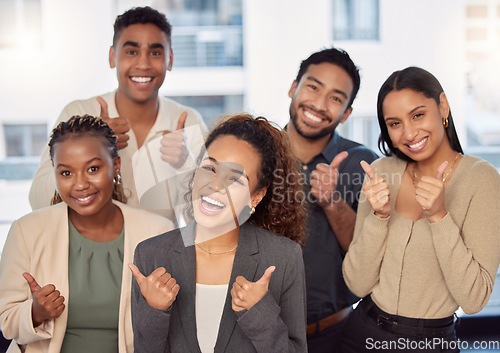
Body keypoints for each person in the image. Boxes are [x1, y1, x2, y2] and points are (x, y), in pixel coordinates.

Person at [340, 67, 500, 352]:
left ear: (443, 106)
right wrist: (379, 218)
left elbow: (474, 299)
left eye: (417, 115)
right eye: (394, 123)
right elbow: (358, 283)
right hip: (361, 334)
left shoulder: (483, 179)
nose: (409, 133)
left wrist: (439, 217)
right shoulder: (380, 172)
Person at [129, 114, 308, 352]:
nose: (215, 185)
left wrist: (260, 313)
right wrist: (155, 311)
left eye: (234, 179)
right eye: (209, 168)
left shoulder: (283, 258)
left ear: (256, 196)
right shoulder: (150, 254)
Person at [0, 115, 174, 352]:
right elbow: (6, 321)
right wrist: (35, 313)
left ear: (116, 166)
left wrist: (157, 306)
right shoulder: (26, 231)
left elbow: (175, 327)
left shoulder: (158, 231)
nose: (80, 184)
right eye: (66, 173)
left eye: (93, 168)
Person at [29, 6, 207, 224]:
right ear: (113, 57)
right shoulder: (77, 114)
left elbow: (208, 221)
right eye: (131, 52)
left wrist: (187, 166)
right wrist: (91, 143)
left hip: (159, 256)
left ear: (169, 59)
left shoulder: (188, 121)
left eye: (155, 53)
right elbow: (37, 199)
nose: (143, 64)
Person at [285, 48, 378, 352]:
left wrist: (333, 202)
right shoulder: (255, 153)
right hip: (258, 331)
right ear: (293, 88)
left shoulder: (364, 164)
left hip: (336, 336)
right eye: (313, 87)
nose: (320, 104)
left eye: (336, 98)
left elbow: (370, 255)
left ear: (346, 113)